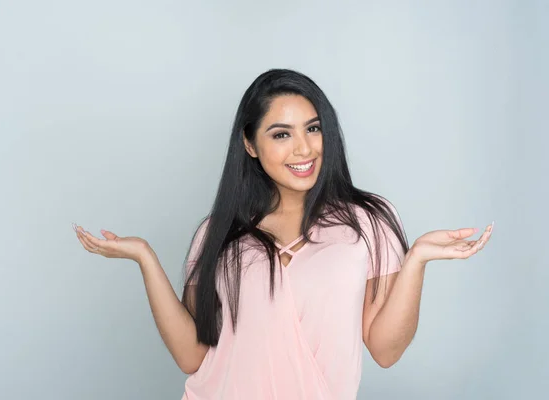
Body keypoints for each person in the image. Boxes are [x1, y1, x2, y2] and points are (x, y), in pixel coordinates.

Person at [73, 69, 494, 399]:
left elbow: (386, 350)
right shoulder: (218, 233)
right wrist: (145, 257)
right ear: (250, 145)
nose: (304, 149)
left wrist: (416, 259)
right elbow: (192, 356)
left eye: (313, 129)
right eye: (281, 134)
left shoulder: (368, 221)